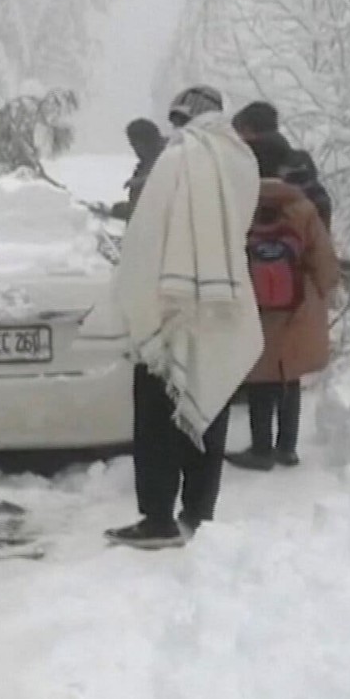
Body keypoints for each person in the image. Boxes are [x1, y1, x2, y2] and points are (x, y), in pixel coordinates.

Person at [105, 84, 265, 550]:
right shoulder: (241, 159)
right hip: (223, 299)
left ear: (180, 118)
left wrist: (138, 289)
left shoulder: (181, 158)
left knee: (157, 413)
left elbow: (150, 231)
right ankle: (199, 513)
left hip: (171, 301)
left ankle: (157, 518)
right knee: (208, 402)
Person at [226, 134, 341, 471]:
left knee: (260, 377)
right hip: (297, 305)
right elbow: (325, 264)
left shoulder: (239, 206)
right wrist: (320, 291)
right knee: (288, 375)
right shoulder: (302, 207)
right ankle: (286, 448)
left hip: (253, 304)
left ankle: (260, 450)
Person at [232, 102, 333, 229]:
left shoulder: (241, 164)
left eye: (237, 134)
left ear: (247, 130)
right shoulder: (300, 164)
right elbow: (321, 207)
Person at [110, 118, 165, 221]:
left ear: (146, 141)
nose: (134, 150)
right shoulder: (148, 163)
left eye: (135, 145)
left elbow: (156, 210)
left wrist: (125, 210)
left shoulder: (168, 163)